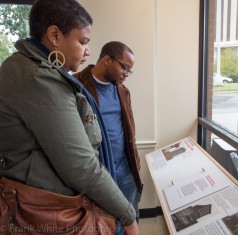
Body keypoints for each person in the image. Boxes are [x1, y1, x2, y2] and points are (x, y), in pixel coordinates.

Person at [0, 0, 139, 234]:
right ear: (54, 35)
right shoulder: (39, 79)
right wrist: (128, 216)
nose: (87, 51)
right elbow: (81, 166)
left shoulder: (24, 67)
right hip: (46, 211)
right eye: (83, 42)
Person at [73, 41, 143, 234]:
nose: (126, 74)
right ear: (107, 59)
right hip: (98, 174)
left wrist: (135, 164)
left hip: (127, 172)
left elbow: (129, 132)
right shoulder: (75, 86)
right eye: (125, 68)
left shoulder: (122, 91)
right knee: (104, 226)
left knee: (131, 220)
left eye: (130, 71)